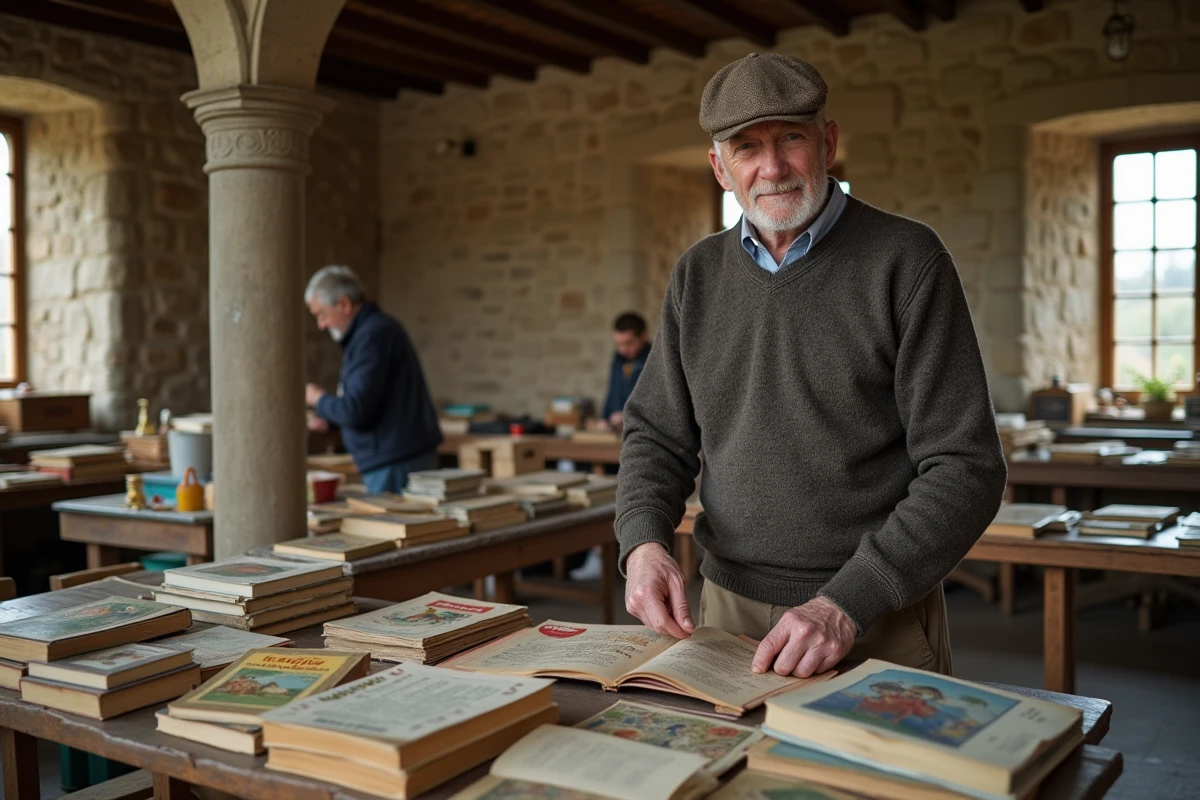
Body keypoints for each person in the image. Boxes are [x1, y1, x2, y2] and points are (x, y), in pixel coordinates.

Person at [616, 53, 1007, 679]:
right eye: (747, 148)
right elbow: (656, 435)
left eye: (790, 138)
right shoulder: (697, 276)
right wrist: (641, 541)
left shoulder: (907, 260)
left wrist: (847, 602)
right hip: (725, 610)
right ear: (720, 168)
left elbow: (968, 466)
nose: (771, 167)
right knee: (735, 778)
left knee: (889, 780)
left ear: (827, 142)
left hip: (875, 613)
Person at [304, 265, 443, 494]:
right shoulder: (371, 332)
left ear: (344, 305)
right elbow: (373, 401)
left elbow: (355, 409)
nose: (321, 325)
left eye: (322, 314)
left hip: (395, 461)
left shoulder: (372, 336)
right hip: (395, 456)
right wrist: (330, 421)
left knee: (392, 528)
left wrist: (317, 398)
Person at [598, 312, 652, 432]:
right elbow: (612, 392)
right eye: (618, 344)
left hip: (642, 433)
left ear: (643, 336)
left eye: (629, 343)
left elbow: (657, 405)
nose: (623, 350)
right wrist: (604, 418)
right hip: (616, 432)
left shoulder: (654, 361)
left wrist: (627, 417)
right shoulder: (618, 360)